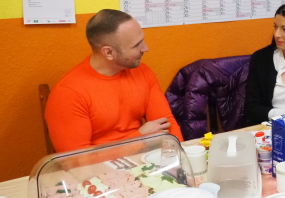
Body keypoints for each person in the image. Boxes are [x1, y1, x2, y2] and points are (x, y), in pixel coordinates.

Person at [46, 9, 183, 152]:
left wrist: (181, 161)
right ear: (109, 53)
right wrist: (139, 137)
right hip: (96, 171)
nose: (145, 48)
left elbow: (166, 124)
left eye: (142, 40)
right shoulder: (68, 93)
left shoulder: (142, 71)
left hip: (141, 161)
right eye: (136, 45)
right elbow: (76, 161)